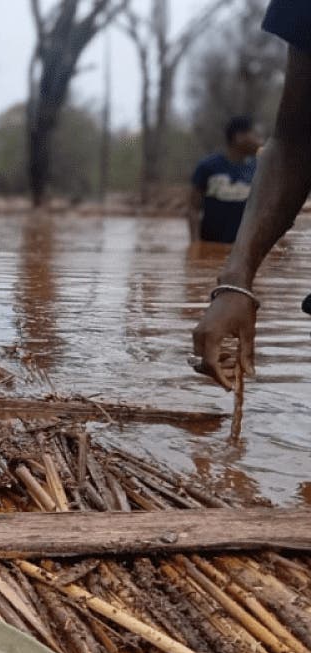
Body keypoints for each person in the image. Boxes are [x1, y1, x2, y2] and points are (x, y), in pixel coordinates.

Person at [191, 0, 311, 389]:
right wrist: (236, 279)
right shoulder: (210, 166)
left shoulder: (246, 168)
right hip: (215, 239)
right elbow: (295, 141)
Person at [187, 116, 262, 245]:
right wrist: (195, 243)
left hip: (242, 247)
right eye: (254, 135)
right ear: (239, 137)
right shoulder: (207, 166)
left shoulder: (257, 169)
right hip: (210, 245)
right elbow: (193, 208)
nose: (259, 141)